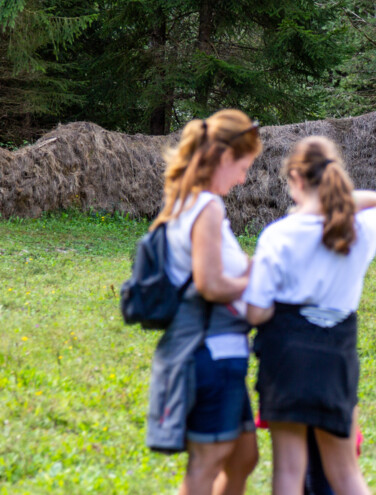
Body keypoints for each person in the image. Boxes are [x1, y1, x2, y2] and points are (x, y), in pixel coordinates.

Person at [243, 136, 376, 495]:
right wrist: (333, 203)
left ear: (295, 177)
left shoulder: (278, 236)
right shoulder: (359, 229)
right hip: (336, 357)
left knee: (288, 474)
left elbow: (256, 312)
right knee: (346, 473)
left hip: (287, 359)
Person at [145, 109, 262, 495]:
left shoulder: (192, 204)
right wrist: (256, 276)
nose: (244, 177)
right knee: (207, 465)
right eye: (243, 166)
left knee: (244, 458)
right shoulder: (206, 208)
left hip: (221, 352)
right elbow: (211, 284)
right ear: (225, 157)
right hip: (208, 352)